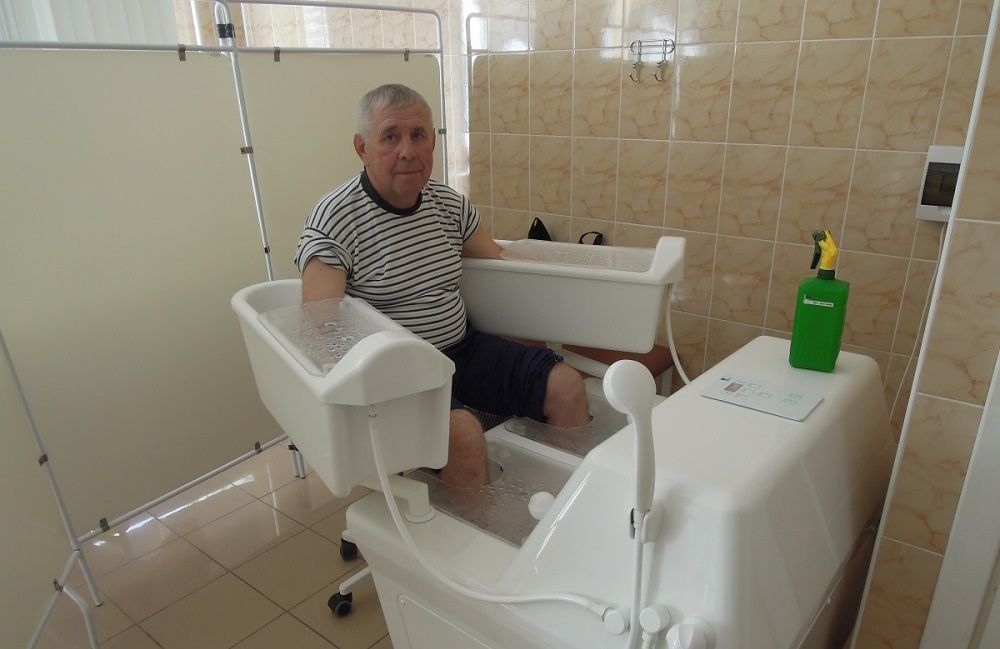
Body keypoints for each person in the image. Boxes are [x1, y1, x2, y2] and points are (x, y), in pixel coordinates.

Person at [294, 84, 589, 487]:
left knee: (565, 385)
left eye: (418, 135)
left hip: (461, 350)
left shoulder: (448, 205)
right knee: (462, 436)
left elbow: (502, 267)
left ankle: (568, 503)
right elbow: (323, 330)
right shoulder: (336, 218)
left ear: (433, 141)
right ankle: (476, 523)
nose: (407, 151)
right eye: (390, 137)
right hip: (395, 376)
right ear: (362, 147)